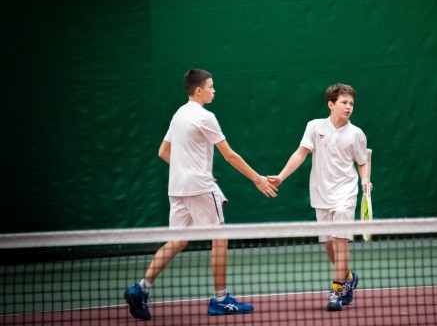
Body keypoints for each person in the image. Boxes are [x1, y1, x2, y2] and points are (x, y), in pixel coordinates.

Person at [124, 69, 278, 320]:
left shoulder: (178, 114)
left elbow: (163, 152)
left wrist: (187, 169)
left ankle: (141, 288)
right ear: (199, 90)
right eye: (211, 86)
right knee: (220, 237)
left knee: (178, 241)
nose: (214, 91)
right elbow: (230, 155)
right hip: (200, 187)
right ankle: (221, 300)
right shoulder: (206, 117)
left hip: (177, 188)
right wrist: (257, 179)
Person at [267, 83, 371, 312]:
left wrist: (364, 179)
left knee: (340, 242)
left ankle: (336, 290)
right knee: (329, 245)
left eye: (351, 103)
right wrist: (281, 177)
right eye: (344, 102)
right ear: (331, 105)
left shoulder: (356, 134)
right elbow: (300, 153)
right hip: (321, 194)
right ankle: (348, 277)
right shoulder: (314, 127)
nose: (349, 107)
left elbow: (362, 162)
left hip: (345, 192)